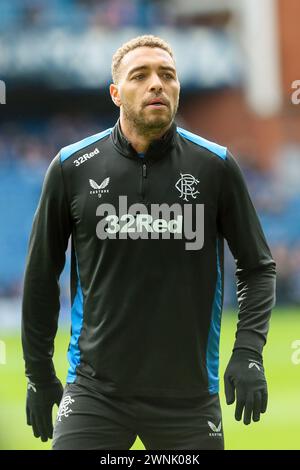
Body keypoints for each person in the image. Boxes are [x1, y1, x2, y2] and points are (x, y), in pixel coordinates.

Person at [22, 34, 276, 450]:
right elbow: (40, 275)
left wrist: (248, 350)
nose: (157, 83)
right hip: (94, 393)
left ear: (177, 89)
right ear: (115, 93)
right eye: (140, 75)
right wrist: (38, 374)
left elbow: (258, 266)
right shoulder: (71, 167)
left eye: (168, 75)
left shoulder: (215, 166)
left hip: (189, 399)